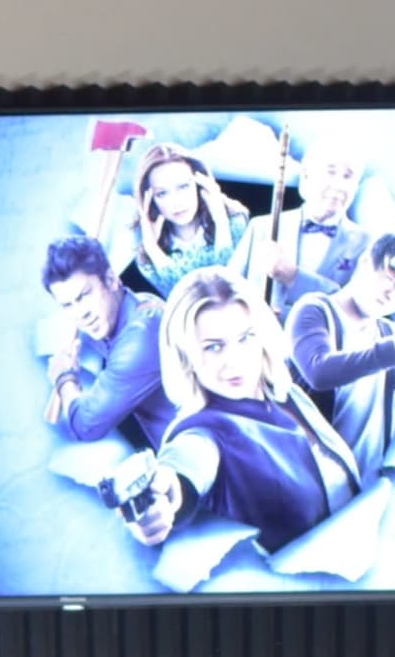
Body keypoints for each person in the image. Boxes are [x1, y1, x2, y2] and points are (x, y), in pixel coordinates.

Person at [121, 267, 364, 555]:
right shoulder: (202, 431)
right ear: (185, 355)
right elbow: (185, 466)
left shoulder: (288, 395)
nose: (235, 361)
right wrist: (166, 495)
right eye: (213, 347)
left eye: (246, 337)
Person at [285, 231, 395, 470]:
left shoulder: (391, 334)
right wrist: (394, 352)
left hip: (368, 479)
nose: (393, 297)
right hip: (315, 476)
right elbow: (318, 373)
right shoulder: (314, 310)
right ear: (366, 262)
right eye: (390, 281)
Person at [40, 231, 173, 445]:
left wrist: (64, 378)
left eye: (84, 295)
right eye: (67, 304)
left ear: (111, 280)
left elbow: (86, 426)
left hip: (216, 463)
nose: (81, 314)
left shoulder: (141, 335)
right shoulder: (124, 308)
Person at [118, 145, 245, 303]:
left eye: (183, 186)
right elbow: (183, 301)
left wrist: (221, 222)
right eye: (162, 193)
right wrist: (153, 250)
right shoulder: (147, 254)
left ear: (200, 185)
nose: (175, 202)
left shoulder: (236, 222)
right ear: (149, 200)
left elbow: (232, 286)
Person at [264, 150, 373, 313]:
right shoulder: (261, 226)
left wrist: (295, 277)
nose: (339, 185)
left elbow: (359, 310)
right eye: (331, 172)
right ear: (306, 176)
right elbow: (226, 286)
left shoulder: (368, 245)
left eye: (348, 176)